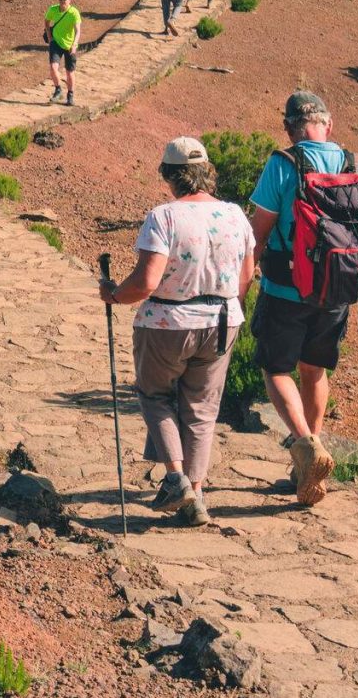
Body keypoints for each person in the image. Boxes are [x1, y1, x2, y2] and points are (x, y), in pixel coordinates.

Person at [99, 137, 257, 525]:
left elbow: (146, 282)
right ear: (207, 173)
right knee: (202, 409)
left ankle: (175, 479)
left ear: (169, 175)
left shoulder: (164, 216)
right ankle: (197, 496)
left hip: (168, 322)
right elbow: (246, 276)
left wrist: (115, 296)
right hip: (222, 320)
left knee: (155, 395)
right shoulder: (236, 214)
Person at [247, 89, 358, 506]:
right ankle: (306, 465)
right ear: (329, 125)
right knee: (315, 371)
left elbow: (258, 234)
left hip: (285, 289)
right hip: (337, 292)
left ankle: (307, 448)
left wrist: (236, 290)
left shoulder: (284, 163)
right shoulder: (354, 165)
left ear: (290, 128)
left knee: (275, 370)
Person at [44, 0, 81, 105]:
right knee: (53, 67)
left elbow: (78, 30)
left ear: (70, 0)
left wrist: (74, 44)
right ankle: (58, 90)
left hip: (70, 45)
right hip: (56, 43)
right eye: (60, 0)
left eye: (64, 0)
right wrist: (50, 38)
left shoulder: (74, 12)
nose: (62, 2)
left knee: (70, 72)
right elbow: (46, 21)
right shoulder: (53, 10)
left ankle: (70, 95)